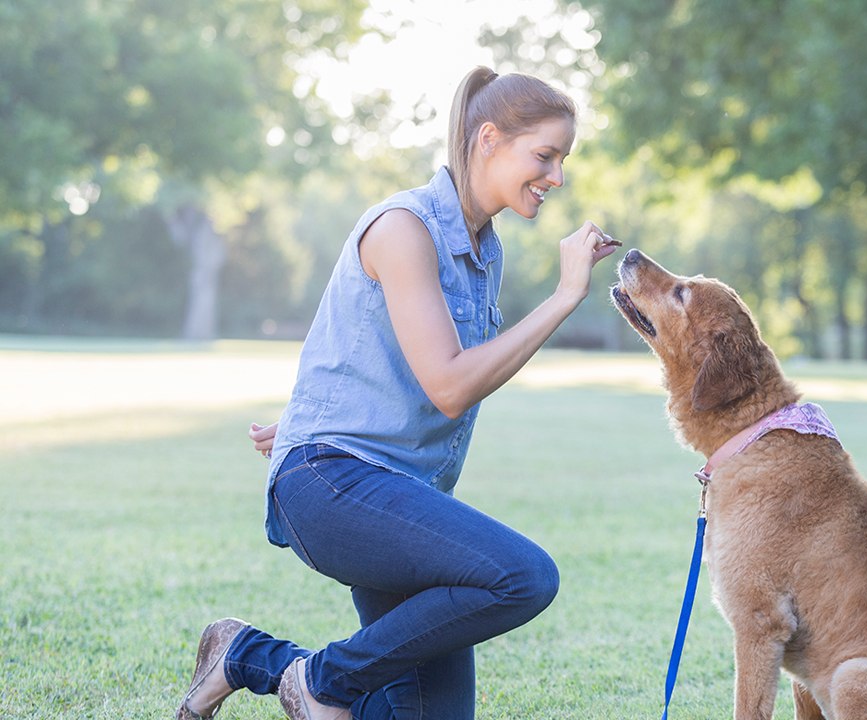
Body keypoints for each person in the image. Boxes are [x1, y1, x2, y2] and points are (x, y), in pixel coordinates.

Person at [175, 67, 620, 720]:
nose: (556, 177)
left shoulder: (482, 252)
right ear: (489, 139)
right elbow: (447, 384)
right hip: (335, 486)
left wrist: (317, 415)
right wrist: (562, 298)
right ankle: (318, 683)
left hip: (396, 495)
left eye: (562, 161)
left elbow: (384, 355)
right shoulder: (402, 228)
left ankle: (246, 656)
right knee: (524, 576)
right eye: (546, 156)